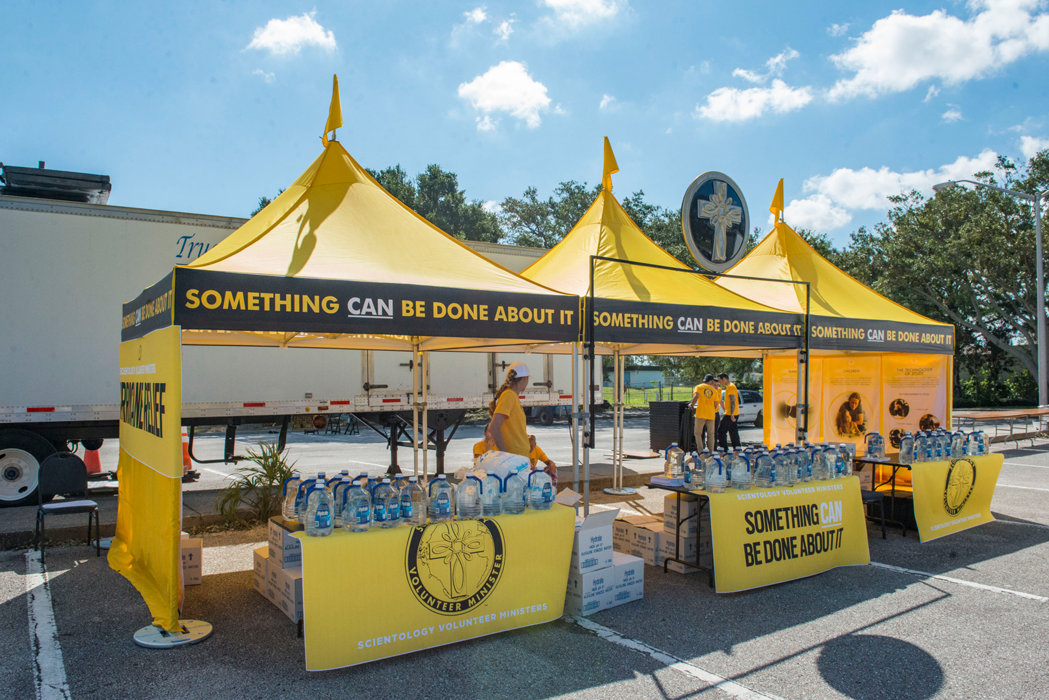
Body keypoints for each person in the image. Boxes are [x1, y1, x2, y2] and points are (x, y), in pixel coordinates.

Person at [488, 361, 531, 458]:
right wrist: (506, 456)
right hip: (514, 457)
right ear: (524, 379)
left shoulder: (512, 396)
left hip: (518, 457)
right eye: (527, 379)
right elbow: (494, 427)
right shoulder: (509, 395)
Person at [687, 374, 719, 453]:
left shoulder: (699, 387)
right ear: (711, 381)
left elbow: (696, 396)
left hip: (701, 414)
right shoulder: (714, 390)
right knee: (711, 434)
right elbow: (715, 404)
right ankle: (711, 452)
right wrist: (711, 409)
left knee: (697, 433)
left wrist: (691, 404)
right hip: (711, 415)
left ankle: (700, 451)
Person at [716, 373, 742, 450]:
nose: (719, 382)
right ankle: (737, 448)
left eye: (720, 380)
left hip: (730, 413)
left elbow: (732, 400)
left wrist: (731, 413)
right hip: (732, 413)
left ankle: (724, 449)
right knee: (733, 431)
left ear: (724, 379)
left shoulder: (730, 387)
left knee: (721, 431)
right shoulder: (730, 386)